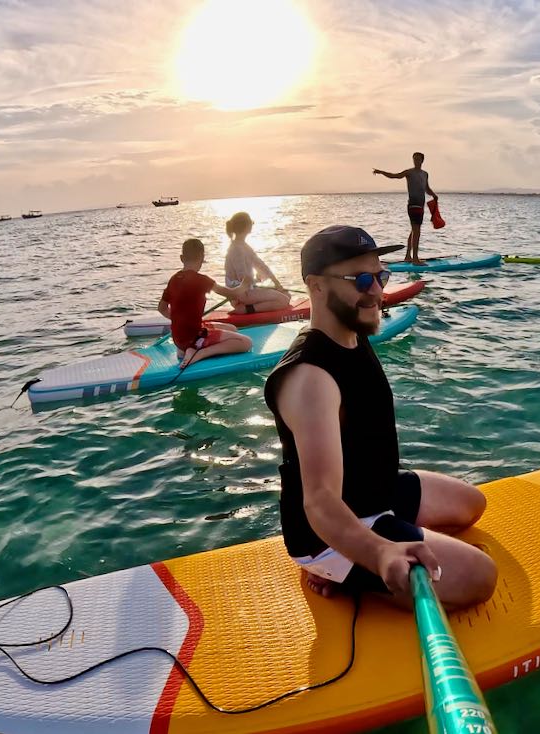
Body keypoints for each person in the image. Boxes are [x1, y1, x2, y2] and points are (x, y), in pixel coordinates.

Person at [264, 225, 496, 609]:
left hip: (373, 491)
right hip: (330, 528)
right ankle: (330, 567)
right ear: (316, 286)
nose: (377, 290)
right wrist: (379, 552)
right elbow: (319, 501)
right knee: (478, 576)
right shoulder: (309, 377)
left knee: (471, 504)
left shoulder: (352, 334)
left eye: (380, 276)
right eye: (361, 279)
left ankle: (378, 550)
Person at [158, 238, 253, 368]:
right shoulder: (202, 280)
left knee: (232, 329)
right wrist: (245, 284)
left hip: (178, 339)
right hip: (194, 338)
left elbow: (161, 308)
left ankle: (184, 350)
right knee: (246, 342)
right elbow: (231, 293)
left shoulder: (173, 279)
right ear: (202, 258)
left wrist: (179, 320)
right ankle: (200, 352)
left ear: (181, 258)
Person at [372, 152, 438, 265]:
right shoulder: (409, 172)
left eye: (418, 159)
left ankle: (408, 256)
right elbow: (395, 176)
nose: (416, 161)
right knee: (417, 231)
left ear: (422, 160)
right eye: (414, 159)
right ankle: (415, 259)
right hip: (413, 204)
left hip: (421, 205)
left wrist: (433, 195)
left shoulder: (425, 174)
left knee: (414, 230)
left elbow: (426, 188)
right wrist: (381, 172)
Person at [224, 212, 292, 314]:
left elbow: (261, 265)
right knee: (283, 300)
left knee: (287, 295)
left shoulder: (244, 246)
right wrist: (256, 281)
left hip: (246, 291)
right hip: (241, 294)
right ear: (246, 226)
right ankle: (245, 309)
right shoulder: (236, 249)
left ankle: (247, 306)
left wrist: (277, 284)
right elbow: (242, 278)